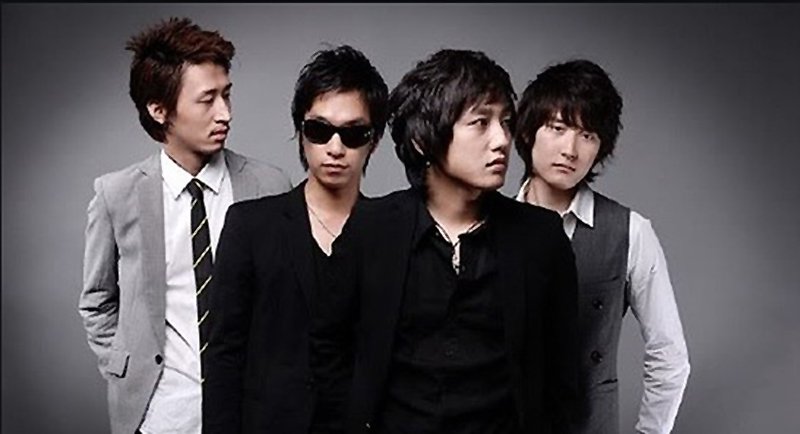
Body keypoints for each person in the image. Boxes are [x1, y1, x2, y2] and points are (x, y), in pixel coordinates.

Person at [325, 49, 582, 434]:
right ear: (422, 141)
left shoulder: (541, 238)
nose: (502, 140)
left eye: (505, 122)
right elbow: (329, 353)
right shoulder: (371, 229)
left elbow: (562, 377)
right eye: (480, 122)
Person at [77, 17, 291, 434]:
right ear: (159, 110)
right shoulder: (116, 194)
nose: (225, 113)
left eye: (227, 95)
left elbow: (287, 302)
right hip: (160, 416)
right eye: (207, 99)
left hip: (252, 411)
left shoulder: (269, 185)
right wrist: (124, 367)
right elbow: (97, 300)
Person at [202, 45, 388, 433]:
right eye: (319, 130)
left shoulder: (392, 231)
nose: (335, 148)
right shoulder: (250, 226)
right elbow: (223, 356)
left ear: (374, 140)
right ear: (300, 133)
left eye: (353, 134)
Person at [514, 59, 690, 434]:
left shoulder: (631, 232)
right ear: (528, 131)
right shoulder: (488, 224)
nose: (570, 149)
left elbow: (669, 356)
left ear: (600, 148)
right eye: (558, 128)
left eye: (588, 135)